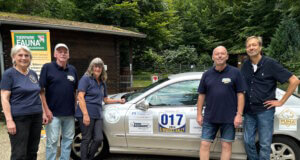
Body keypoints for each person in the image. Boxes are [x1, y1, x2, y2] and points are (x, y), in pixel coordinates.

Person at [241, 36, 299, 160]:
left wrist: (281, 101)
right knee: (247, 142)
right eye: (248, 46)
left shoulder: (270, 64)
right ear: (246, 49)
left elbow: (294, 81)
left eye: (254, 45)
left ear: (260, 47)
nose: (251, 47)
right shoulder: (245, 65)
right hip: (249, 111)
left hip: (265, 111)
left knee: (265, 144)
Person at [197, 46, 246, 160]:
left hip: (229, 117)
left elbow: (240, 95)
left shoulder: (236, 73)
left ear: (227, 56)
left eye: (222, 53)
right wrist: (199, 114)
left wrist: (239, 115)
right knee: (204, 144)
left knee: (226, 145)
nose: (220, 56)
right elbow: (201, 95)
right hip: (210, 116)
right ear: (213, 57)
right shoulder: (206, 74)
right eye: (217, 54)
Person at [0, 45, 48, 160]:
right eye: (20, 55)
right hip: (20, 119)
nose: (23, 58)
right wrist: (9, 120)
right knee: (19, 153)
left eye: (26, 55)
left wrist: (43, 113)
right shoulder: (9, 74)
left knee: (33, 150)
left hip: (36, 117)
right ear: (14, 57)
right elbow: (4, 98)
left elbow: (38, 94)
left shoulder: (33, 74)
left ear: (30, 58)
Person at [75, 57, 125, 160]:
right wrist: (85, 114)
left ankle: (89, 157)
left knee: (98, 138)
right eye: (95, 66)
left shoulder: (102, 82)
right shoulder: (86, 79)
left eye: (100, 67)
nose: (97, 69)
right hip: (86, 113)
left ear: (102, 69)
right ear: (91, 68)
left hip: (98, 114)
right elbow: (80, 96)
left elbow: (105, 99)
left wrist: (118, 101)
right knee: (86, 138)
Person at [39, 43, 78, 160]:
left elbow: (75, 90)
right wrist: (45, 111)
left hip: (69, 114)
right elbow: (41, 91)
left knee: (67, 141)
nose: (63, 53)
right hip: (52, 114)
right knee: (52, 142)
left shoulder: (73, 70)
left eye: (65, 51)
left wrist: (75, 107)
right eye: (59, 51)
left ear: (68, 55)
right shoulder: (47, 67)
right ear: (55, 54)